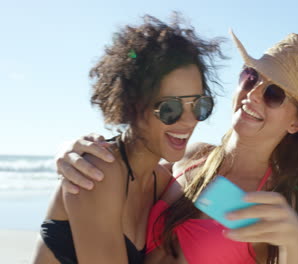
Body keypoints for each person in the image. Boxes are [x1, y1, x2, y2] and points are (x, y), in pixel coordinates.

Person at [56, 31, 298, 263]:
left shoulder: (282, 198)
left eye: (275, 94)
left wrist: (294, 243)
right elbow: (128, 175)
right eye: (251, 77)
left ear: (296, 124)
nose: (252, 95)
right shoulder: (192, 157)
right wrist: (75, 150)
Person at [32, 14, 224, 264]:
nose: (189, 121)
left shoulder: (163, 182)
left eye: (199, 105)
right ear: (133, 105)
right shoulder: (97, 171)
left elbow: (241, 221)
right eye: (170, 108)